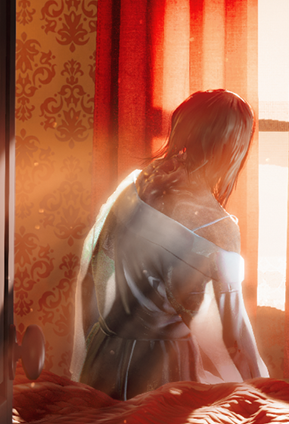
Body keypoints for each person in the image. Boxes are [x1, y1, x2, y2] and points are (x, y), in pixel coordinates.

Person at [72, 89, 268, 399]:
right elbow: (235, 336)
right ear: (233, 149)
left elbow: (93, 278)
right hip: (163, 367)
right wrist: (264, 392)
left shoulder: (135, 187)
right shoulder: (219, 227)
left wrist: (98, 342)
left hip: (104, 353)